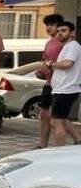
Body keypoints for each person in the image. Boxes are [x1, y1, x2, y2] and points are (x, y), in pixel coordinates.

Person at [40, 21, 81, 148]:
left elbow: (68, 64)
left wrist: (51, 64)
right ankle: (77, 141)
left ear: (72, 33)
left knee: (56, 122)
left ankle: (59, 151)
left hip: (66, 90)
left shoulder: (73, 46)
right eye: (58, 31)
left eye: (63, 31)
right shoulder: (67, 47)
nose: (59, 34)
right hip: (60, 89)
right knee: (59, 120)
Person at [36, 13, 65, 148]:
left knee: (56, 118)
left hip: (60, 84)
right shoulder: (49, 43)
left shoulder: (64, 44)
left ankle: (76, 139)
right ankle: (42, 145)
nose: (48, 28)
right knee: (43, 115)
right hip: (48, 83)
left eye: (52, 25)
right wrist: (40, 71)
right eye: (47, 25)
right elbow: (44, 60)